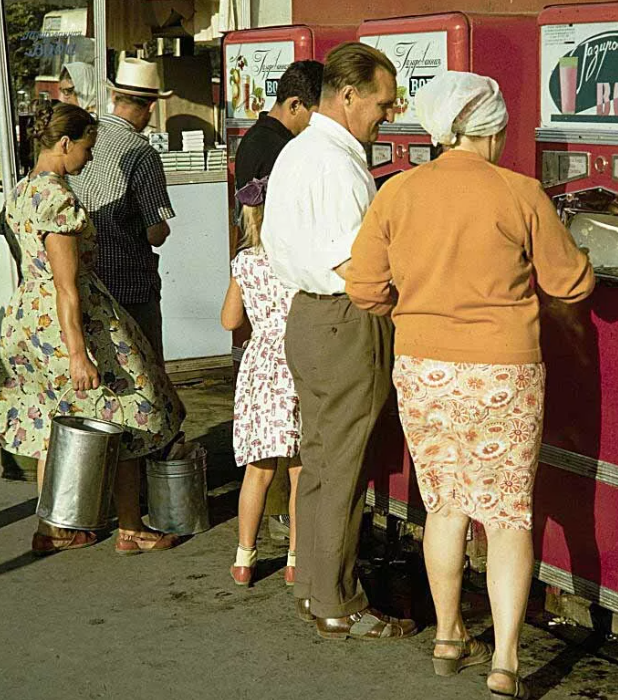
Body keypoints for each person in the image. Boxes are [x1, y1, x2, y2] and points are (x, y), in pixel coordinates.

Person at [345, 71, 595, 698]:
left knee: (445, 505)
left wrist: (418, 310)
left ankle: (449, 634)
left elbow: (365, 288)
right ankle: (506, 660)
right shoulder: (521, 192)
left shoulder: (397, 193)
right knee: (509, 514)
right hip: (504, 372)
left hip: (424, 369)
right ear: (494, 129)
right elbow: (571, 284)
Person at [262, 42, 417, 640]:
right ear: (348, 95)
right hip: (346, 319)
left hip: (307, 316)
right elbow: (363, 264)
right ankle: (339, 602)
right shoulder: (338, 163)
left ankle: (314, 587)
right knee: (344, 469)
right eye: (381, 103)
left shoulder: (299, 151)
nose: (387, 114)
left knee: (322, 460)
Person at [0, 101, 185, 556]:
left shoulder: (22, 191)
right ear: (64, 143)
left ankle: (54, 526)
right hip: (70, 321)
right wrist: (80, 353)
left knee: (52, 423)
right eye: (87, 147)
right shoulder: (58, 199)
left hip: (30, 320)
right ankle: (130, 527)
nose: (89, 157)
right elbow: (66, 287)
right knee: (130, 408)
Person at [222, 60, 324, 588]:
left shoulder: (245, 262)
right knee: (300, 470)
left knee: (257, 471)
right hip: (296, 361)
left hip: (260, 367)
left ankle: (242, 557)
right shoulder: (291, 260)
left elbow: (227, 319)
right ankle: (293, 562)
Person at [69, 58, 175, 362]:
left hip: (85, 279)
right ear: (151, 107)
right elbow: (156, 234)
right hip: (130, 285)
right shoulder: (142, 153)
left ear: (114, 97)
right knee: (147, 370)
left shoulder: (83, 138)